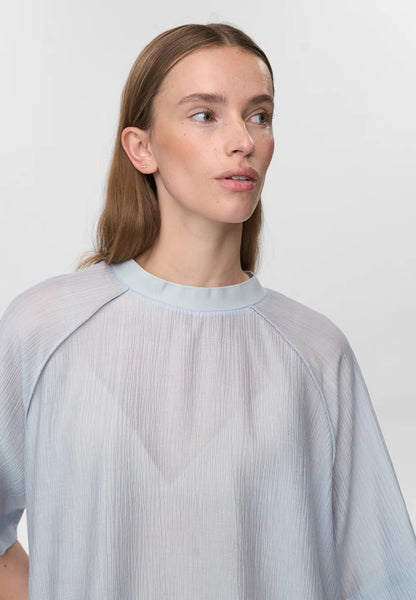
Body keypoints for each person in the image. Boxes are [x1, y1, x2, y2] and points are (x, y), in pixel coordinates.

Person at [0, 22, 415, 600]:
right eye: (205, 115)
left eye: (259, 116)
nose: (242, 140)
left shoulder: (316, 353)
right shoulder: (43, 328)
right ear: (141, 147)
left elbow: (384, 579)